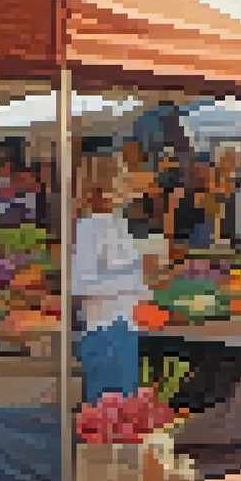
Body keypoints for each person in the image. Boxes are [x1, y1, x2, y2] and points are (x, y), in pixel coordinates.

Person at [71, 153, 158, 405]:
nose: (128, 183)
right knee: (107, 414)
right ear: (105, 186)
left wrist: (145, 282)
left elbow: (123, 273)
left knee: (123, 413)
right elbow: (81, 283)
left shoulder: (115, 223)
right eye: (122, 177)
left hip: (124, 329)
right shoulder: (91, 226)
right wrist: (137, 275)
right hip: (105, 332)